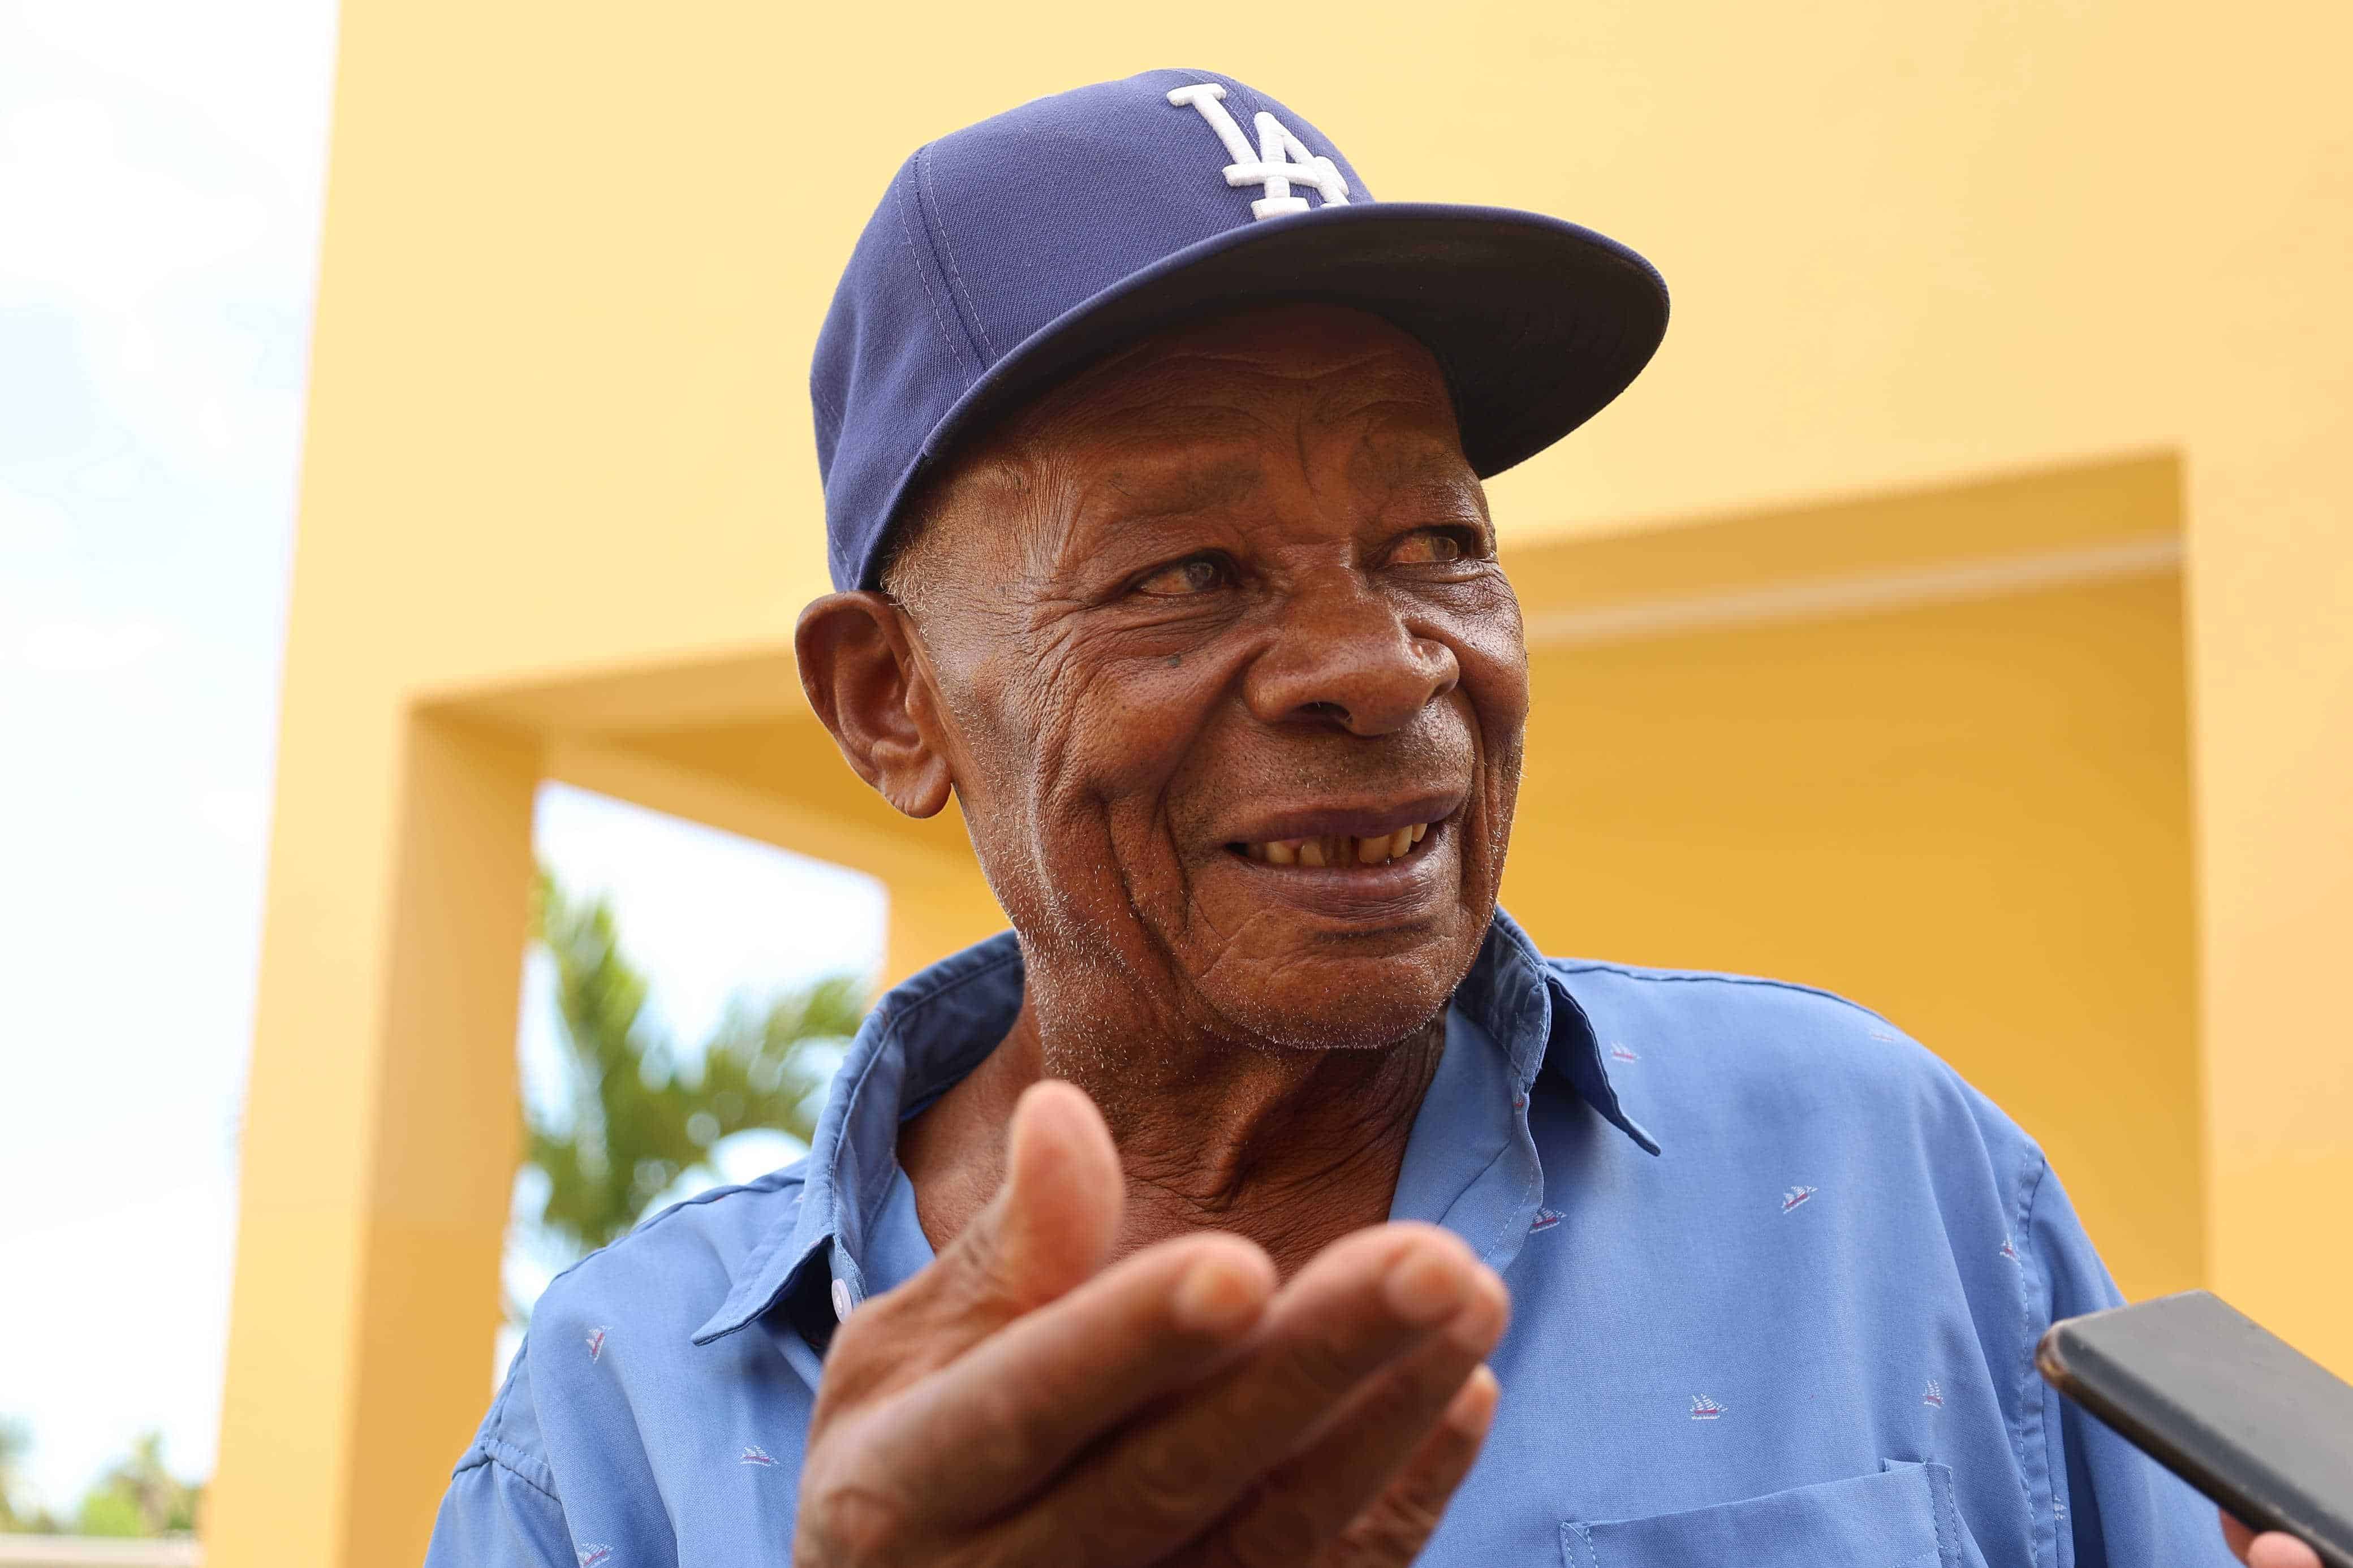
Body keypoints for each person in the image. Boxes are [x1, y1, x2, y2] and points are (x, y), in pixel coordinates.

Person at [426, 70, 2316, 1568]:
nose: (1378, 662)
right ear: (890, 700)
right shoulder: (619, 1426)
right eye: (1185, 572)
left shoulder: (1882, 1169)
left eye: (1437, 545)